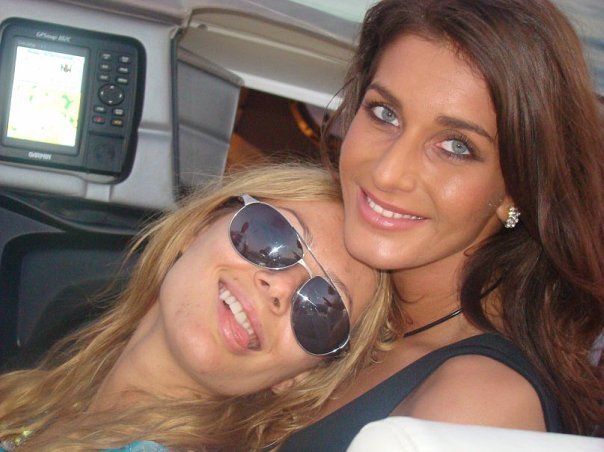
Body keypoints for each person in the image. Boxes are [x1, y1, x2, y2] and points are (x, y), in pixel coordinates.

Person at [282, 0, 604, 449]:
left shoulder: (477, 405)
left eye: (455, 146)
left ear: (516, 189)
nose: (389, 172)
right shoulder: (341, 306)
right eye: (385, 113)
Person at [0, 163, 393, 450]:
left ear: (299, 377)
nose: (281, 288)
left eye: (324, 308)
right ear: (200, 226)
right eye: (272, 235)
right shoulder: (34, 398)